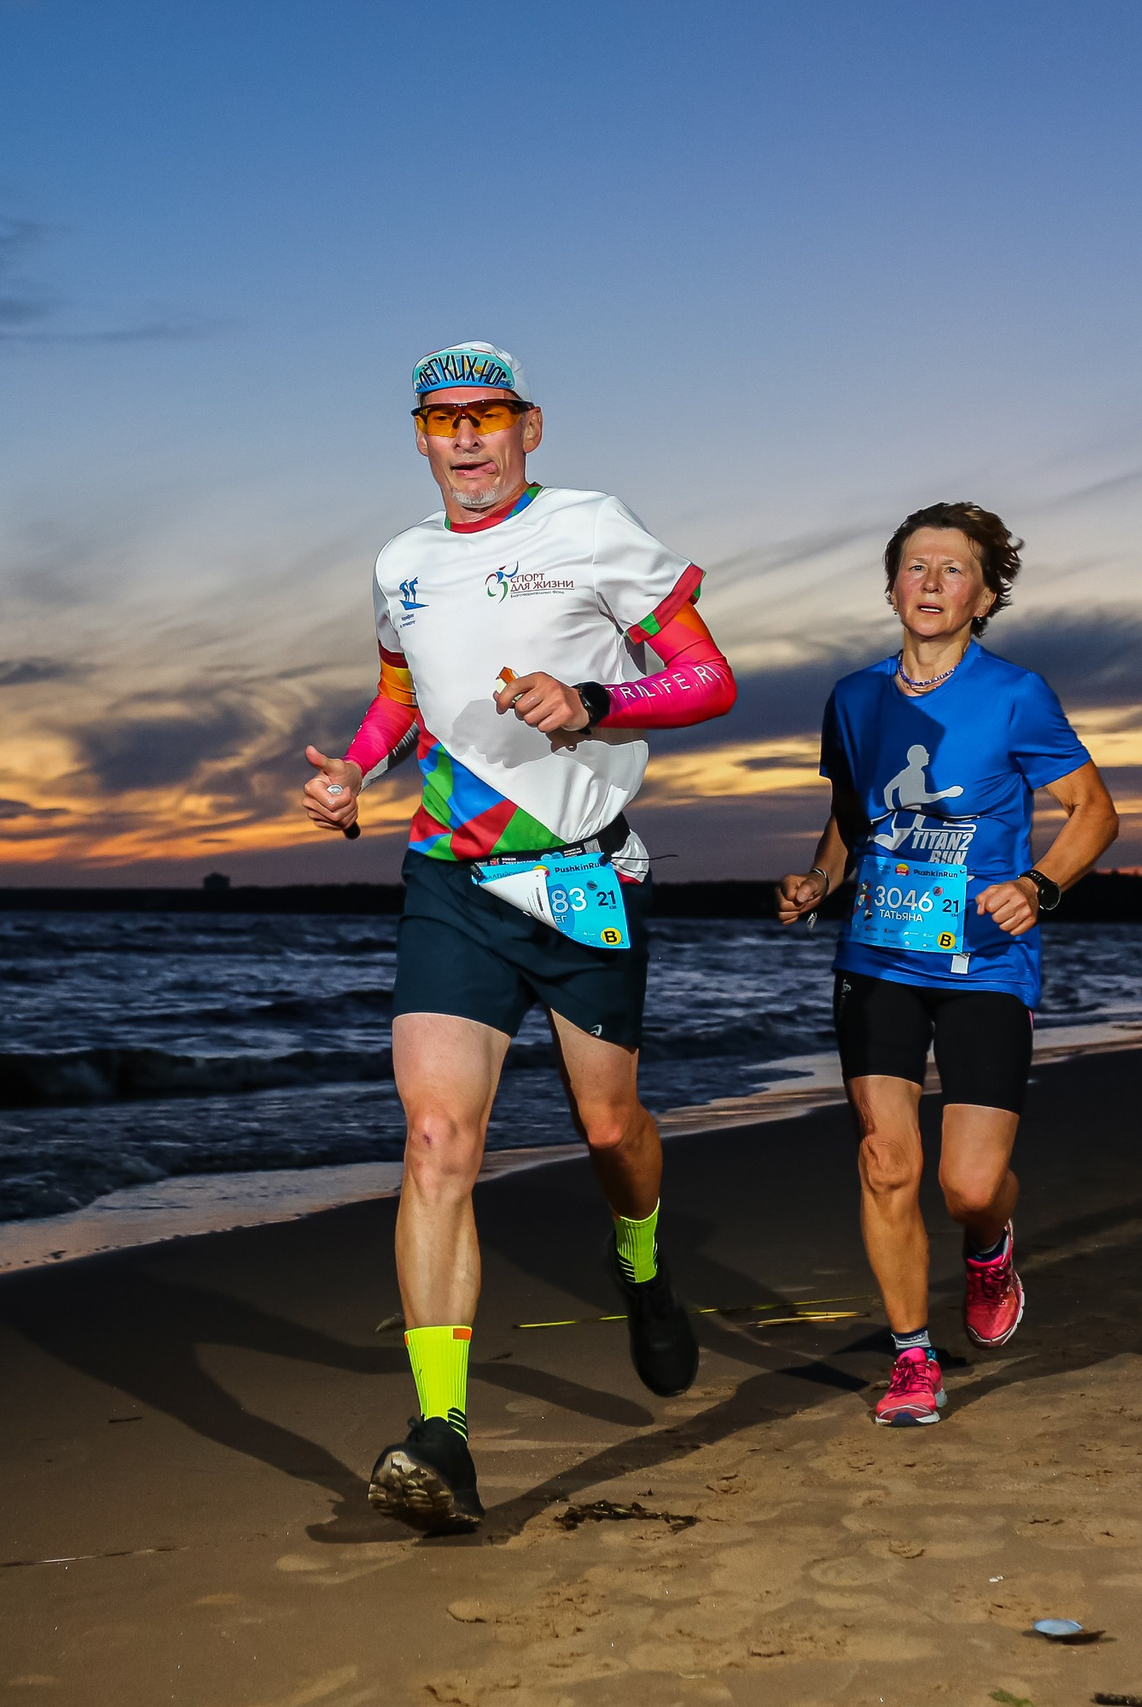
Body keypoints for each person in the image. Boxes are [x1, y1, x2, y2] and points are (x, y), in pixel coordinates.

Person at [302, 342, 739, 1531]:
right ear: (419, 437)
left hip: (583, 874)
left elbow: (706, 677)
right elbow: (400, 697)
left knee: (610, 1127)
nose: (467, 439)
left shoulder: (594, 528)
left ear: (528, 427)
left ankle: (641, 1260)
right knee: (438, 1138)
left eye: (487, 416)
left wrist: (597, 702)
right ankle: (440, 1434)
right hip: (450, 871)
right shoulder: (403, 562)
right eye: (442, 420)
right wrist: (353, 768)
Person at [776, 502, 1118, 1427]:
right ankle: (912, 1356)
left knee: (965, 1182)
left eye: (951, 569)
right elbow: (855, 817)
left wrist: (1041, 885)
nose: (929, 583)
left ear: (985, 594)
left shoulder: (1016, 694)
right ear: (891, 584)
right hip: (877, 954)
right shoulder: (852, 697)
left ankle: (989, 1238)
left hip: (987, 960)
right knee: (888, 1162)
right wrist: (819, 878)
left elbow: (1093, 811)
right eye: (914, 567)